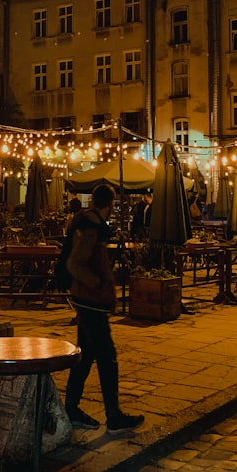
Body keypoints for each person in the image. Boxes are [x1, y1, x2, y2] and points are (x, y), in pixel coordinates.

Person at [65, 183, 144, 435]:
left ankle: (71, 408)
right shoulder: (92, 227)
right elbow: (76, 263)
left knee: (86, 356)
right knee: (107, 358)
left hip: (86, 299)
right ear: (109, 204)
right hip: (91, 301)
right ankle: (113, 416)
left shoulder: (86, 223)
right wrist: (98, 284)